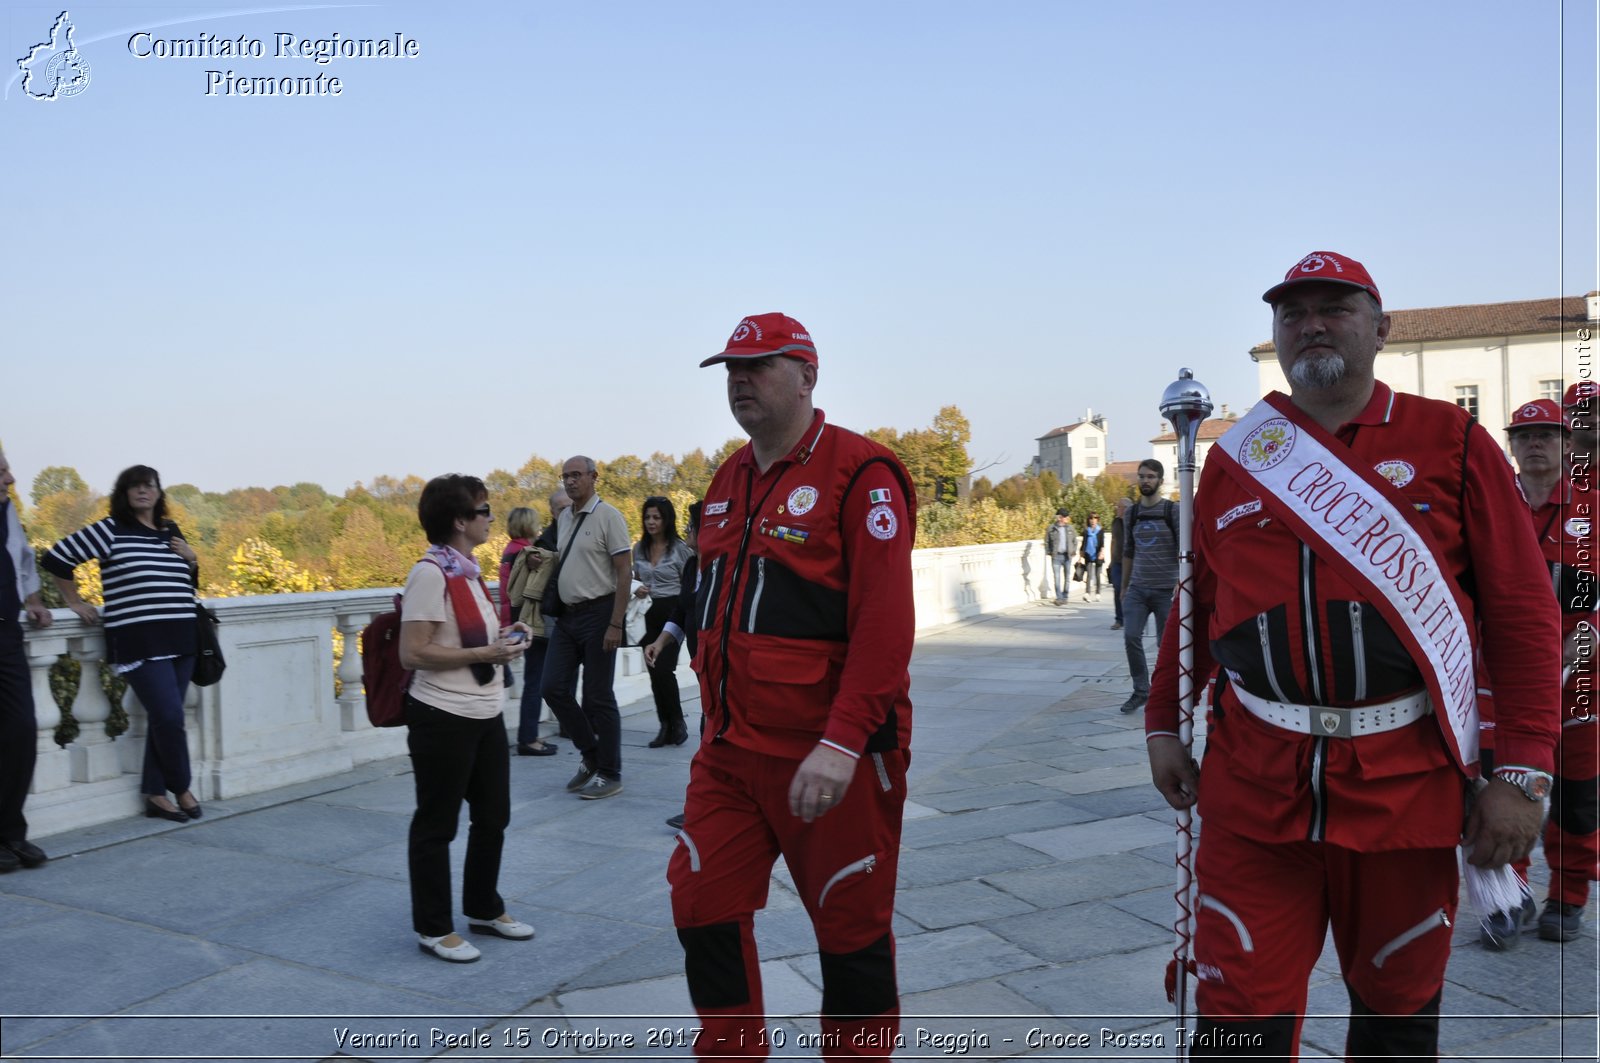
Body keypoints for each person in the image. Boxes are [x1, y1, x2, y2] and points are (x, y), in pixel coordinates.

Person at [1144, 252, 1559, 1058]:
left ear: (1381, 326)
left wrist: (1523, 772)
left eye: (1334, 308)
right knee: (1235, 1021)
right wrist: (1164, 719)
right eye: (1293, 314)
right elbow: (1196, 606)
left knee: (1397, 1020)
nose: (1312, 325)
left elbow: (1522, 615)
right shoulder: (1237, 457)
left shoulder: (1453, 441)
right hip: (1254, 787)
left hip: (1403, 789)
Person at [668, 312, 916, 1059]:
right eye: (731, 369)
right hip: (730, 751)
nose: (740, 380)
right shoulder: (726, 477)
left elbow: (884, 627)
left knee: (851, 929)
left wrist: (841, 743)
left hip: (828, 756)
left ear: (808, 374)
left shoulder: (861, 473)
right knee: (700, 900)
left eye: (760, 365)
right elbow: (710, 591)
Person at [398, 474, 533, 963]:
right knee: (437, 825)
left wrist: (507, 635)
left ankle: (482, 907)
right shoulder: (431, 574)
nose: (491, 517)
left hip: (484, 712)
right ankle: (433, 928)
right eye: (483, 510)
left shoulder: (468, 570)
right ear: (459, 521)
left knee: (492, 816)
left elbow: (467, 638)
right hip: (442, 715)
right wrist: (486, 651)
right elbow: (413, 652)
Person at [44, 466, 204, 824]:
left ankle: (154, 794)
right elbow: (57, 557)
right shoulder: (111, 529)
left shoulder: (170, 533)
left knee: (165, 721)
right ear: (125, 493)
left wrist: (192, 559)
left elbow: (187, 582)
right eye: (135, 486)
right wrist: (73, 600)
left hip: (182, 636)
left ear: (159, 492)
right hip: (139, 639)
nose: (143, 492)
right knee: (169, 716)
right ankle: (181, 788)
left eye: (149, 486)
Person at [1499, 399, 1598, 944]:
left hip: (1580, 681)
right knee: (1510, 786)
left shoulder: (1593, 508)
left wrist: (1578, 645)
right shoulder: (1491, 507)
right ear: (1512, 445)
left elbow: (1594, 599)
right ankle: (1508, 895)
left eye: (1547, 435)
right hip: (1505, 684)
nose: (1535, 443)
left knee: (1578, 797)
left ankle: (1568, 896)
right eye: (1525, 435)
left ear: (1567, 445)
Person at [541, 456, 632, 801]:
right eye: (565, 476)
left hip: (599, 614)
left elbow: (624, 572)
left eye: (576, 475)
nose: (570, 481)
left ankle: (610, 772)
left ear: (594, 477)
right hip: (567, 617)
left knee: (597, 697)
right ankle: (591, 754)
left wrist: (615, 623)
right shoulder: (564, 517)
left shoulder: (609, 516)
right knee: (552, 687)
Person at [0, 448, 52, 871]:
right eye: (1, 472)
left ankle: (11, 833)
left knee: (20, 731)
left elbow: (24, 562)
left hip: (6, 634)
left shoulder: (8, 513)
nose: (11, 479)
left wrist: (33, 600)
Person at [644, 500, 703, 830]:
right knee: (709, 735)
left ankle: (702, 809)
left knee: (711, 736)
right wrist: (661, 642)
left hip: (723, 665)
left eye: (691, 528)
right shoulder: (693, 566)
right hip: (701, 663)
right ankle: (703, 808)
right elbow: (681, 612)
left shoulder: (727, 567)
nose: (687, 534)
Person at [635, 496, 693, 748]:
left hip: (673, 613)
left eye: (656, 517)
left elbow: (690, 583)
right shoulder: (638, 549)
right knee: (652, 670)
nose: (651, 522)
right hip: (646, 613)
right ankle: (664, 726)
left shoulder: (681, 549)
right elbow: (634, 578)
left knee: (663, 669)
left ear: (666, 519)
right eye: (647, 517)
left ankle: (677, 722)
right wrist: (637, 589)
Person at [1119, 460, 1177, 714]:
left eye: (1151, 476)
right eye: (1142, 476)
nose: (1145, 481)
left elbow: (1185, 549)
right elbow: (1128, 552)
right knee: (1131, 635)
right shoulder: (1131, 513)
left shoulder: (1171, 511)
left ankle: (1162, 694)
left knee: (1165, 647)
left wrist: (1181, 583)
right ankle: (1141, 690)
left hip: (1167, 590)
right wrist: (1123, 587)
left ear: (1160, 481)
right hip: (1138, 589)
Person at [497, 506, 555, 757]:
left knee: (531, 679)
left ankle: (528, 735)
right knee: (535, 681)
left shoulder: (509, 550)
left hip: (512, 619)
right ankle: (528, 738)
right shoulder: (525, 553)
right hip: (527, 621)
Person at [1045, 508, 1077, 604]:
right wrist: (1049, 552)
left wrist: (1073, 551)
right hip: (1056, 556)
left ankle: (1065, 596)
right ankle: (1059, 597)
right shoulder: (1051, 528)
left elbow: (1075, 541)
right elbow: (1047, 542)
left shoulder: (1070, 528)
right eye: (1065, 516)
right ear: (1060, 517)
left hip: (1067, 556)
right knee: (1057, 578)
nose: (1067, 518)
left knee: (1067, 577)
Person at [1107, 497, 1129, 631]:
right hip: (1117, 562)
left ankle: (1132, 619)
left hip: (1130, 561)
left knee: (1131, 592)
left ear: (1126, 509)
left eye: (1120, 507)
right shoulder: (1115, 522)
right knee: (1117, 589)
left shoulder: (1133, 521)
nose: (1117, 509)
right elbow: (1113, 541)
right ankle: (1119, 619)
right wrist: (1111, 559)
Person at [1080, 512, 1106, 602]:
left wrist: (1102, 552)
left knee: (1097, 575)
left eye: (1095, 518)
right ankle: (1087, 593)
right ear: (1089, 520)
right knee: (1089, 574)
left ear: (1097, 520)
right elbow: (1084, 542)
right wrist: (1081, 552)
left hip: (1098, 553)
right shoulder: (1086, 531)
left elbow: (1102, 543)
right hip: (1088, 553)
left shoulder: (1100, 530)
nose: (1093, 520)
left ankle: (1098, 593)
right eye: (1091, 518)